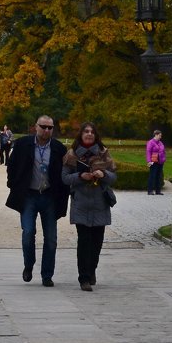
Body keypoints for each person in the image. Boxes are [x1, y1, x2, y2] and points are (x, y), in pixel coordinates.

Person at [5, 115, 68, 287]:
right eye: (44, 126)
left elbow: (66, 171)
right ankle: (28, 265)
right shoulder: (23, 144)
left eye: (50, 127)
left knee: (51, 238)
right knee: (28, 233)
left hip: (49, 196)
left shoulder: (58, 148)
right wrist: (13, 184)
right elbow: (12, 165)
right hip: (29, 195)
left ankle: (47, 274)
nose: (47, 130)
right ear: (36, 127)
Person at [61, 122, 117, 291]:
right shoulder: (72, 154)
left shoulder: (103, 152)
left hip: (100, 203)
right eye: (86, 131)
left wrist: (104, 173)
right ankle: (83, 278)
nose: (89, 134)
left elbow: (114, 176)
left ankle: (92, 270)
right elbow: (64, 178)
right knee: (84, 242)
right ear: (81, 134)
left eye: (92, 131)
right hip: (81, 204)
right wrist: (80, 176)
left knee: (97, 243)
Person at [146, 129, 166, 195]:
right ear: (156, 135)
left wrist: (164, 159)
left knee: (159, 176)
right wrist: (149, 161)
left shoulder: (160, 143)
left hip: (160, 162)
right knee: (152, 176)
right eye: (160, 135)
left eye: (161, 135)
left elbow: (163, 151)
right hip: (153, 161)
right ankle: (150, 190)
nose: (161, 137)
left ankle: (158, 191)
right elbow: (148, 152)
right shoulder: (150, 142)